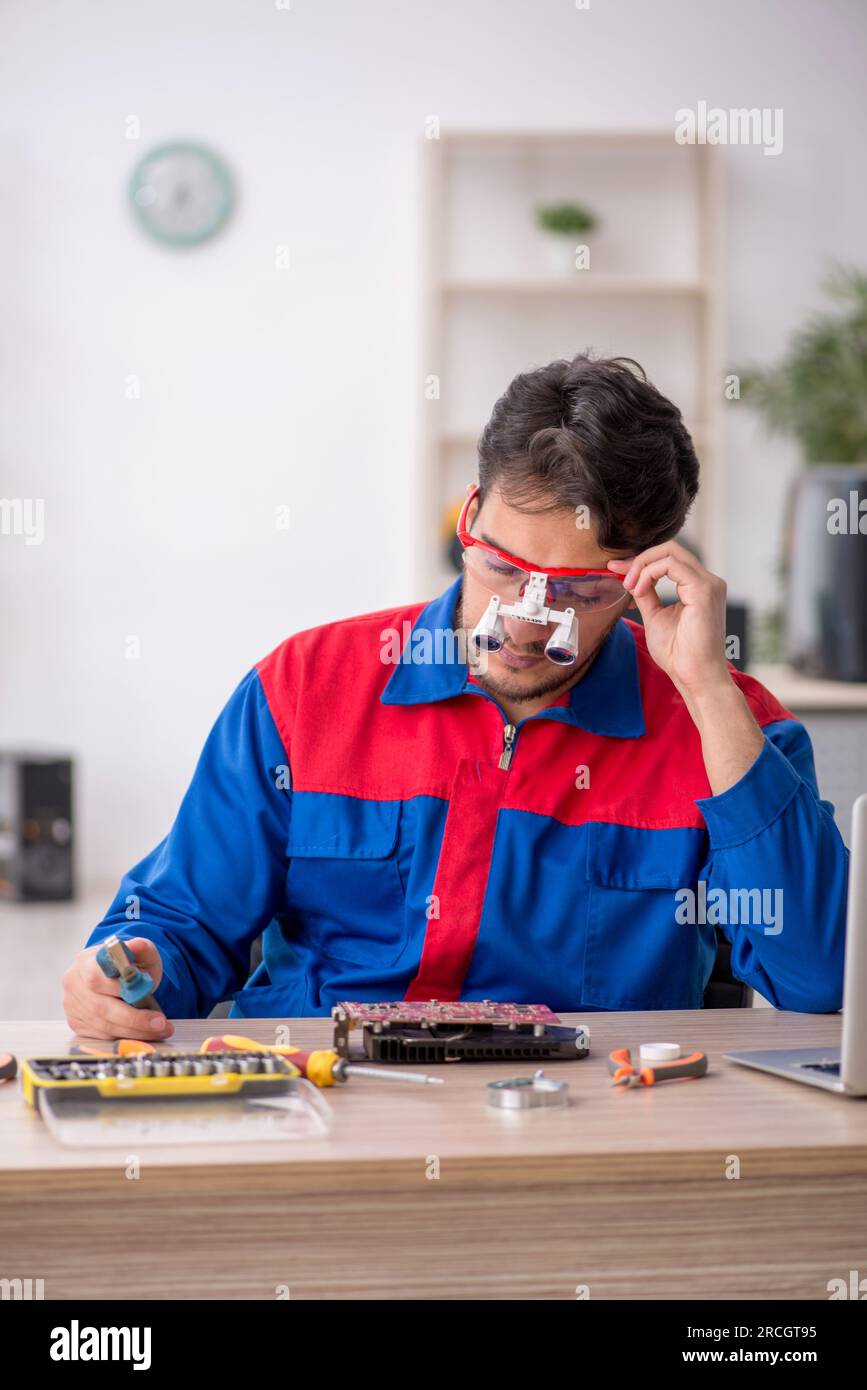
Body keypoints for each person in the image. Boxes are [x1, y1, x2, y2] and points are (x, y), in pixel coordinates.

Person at [63, 354, 848, 1039]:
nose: (527, 625)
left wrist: (707, 692)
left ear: (651, 578)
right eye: (503, 569)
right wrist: (130, 970)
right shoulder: (304, 689)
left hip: (586, 1137)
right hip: (328, 1112)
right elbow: (181, 921)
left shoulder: (731, 728)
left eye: (579, 591)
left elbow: (820, 977)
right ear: (469, 516)